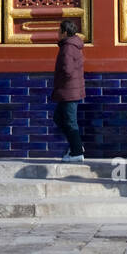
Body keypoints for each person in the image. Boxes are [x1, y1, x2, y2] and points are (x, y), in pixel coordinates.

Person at [51, 19, 86, 162]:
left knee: (70, 121)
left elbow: (67, 69)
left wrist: (60, 78)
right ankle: (76, 145)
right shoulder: (73, 45)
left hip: (69, 90)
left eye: (59, 31)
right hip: (70, 90)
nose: (57, 34)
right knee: (59, 118)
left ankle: (77, 152)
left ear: (64, 32)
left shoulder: (67, 47)